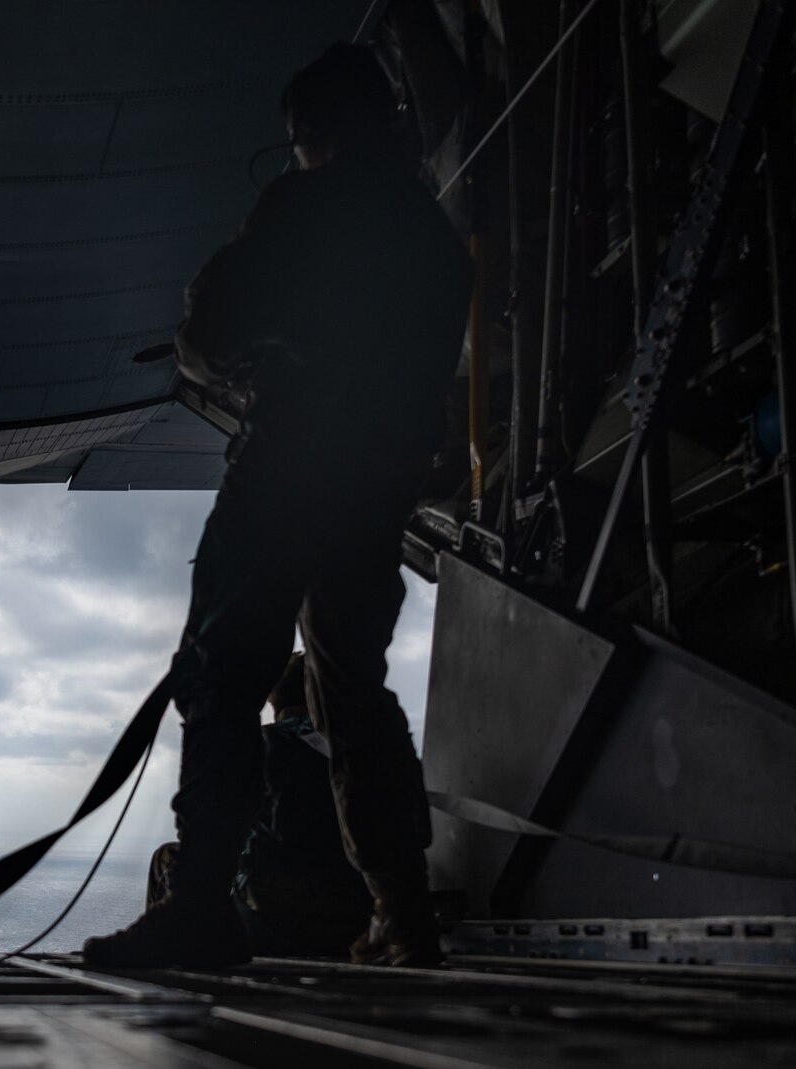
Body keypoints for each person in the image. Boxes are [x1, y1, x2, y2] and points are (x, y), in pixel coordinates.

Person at [85, 43, 470, 969]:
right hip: (373, 497)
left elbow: (209, 332)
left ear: (318, 133)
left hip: (286, 475)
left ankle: (204, 906)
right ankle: (401, 913)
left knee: (222, 675)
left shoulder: (310, 204)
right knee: (354, 697)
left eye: (300, 141)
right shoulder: (436, 243)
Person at [142, 654, 373, 959]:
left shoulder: (261, 745)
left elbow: (211, 833)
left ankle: (168, 950)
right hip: (354, 926)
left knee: (169, 858)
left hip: (270, 925)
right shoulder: (366, 755)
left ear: (273, 701)